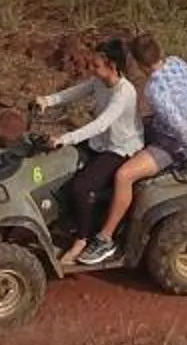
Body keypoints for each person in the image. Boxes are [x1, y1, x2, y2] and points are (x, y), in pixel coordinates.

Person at [94, 31, 187, 261]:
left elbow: (178, 125)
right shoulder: (178, 62)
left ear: (138, 64)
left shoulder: (155, 90)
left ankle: (105, 238)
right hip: (175, 129)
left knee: (124, 175)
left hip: (174, 144)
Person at [36, 38, 143, 268]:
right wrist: (48, 100)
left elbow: (101, 124)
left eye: (96, 65)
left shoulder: (124, 93)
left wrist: (64, 139)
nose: (92, 70)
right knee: (60, 171)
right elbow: (75, 92)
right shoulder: (99, 81)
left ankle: (83, 239)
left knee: (81, 187)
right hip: (99, 144)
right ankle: (71, 221)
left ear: (112, 66)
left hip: (120, 148)